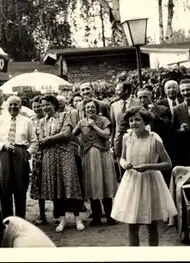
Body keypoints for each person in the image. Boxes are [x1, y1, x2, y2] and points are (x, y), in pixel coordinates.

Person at [111, 107, 177, 246]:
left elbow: (168, 163)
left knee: (151, 224)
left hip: (150, 183)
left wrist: (148, 166)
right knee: (132, 224)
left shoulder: (154, 139)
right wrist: (125, 164)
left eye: (137, 120)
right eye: (131, 120)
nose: (134, 123)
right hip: (131, 183)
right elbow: (121, 158)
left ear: (145, 121)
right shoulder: (127, 138)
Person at [38, 95, 84, 232]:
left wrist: (48, 140)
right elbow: (40, 139)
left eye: (48, 104)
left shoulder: (65, 116)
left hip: (65, 154)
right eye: (43, 105)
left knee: (70, 184)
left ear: (54, 104)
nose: (45, 107)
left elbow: (66, 134)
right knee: (56, 186)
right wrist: (48, 140)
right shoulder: (41, 121)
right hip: (49, 156)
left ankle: (77, 218)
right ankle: (62, 219)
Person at [0, 96, 37, 219]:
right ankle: (8, 219)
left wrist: (28, 153)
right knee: (5, 187)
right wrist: (3, 145)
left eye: (16, 104)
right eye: (10, 104)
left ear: (20, 107)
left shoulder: (27, 121)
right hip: (4, 153)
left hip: (21, 153)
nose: (13, 107)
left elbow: (34, 141)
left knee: (20, 187)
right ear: (6, 106)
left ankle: (21, 219)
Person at [73, 98, 118, 226]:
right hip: (88, 155)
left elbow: (107, 135)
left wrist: (94, 126)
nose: (90, 109)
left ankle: (109, 216)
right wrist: (81, 144)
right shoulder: (81, 122)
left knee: (105, 183)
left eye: (92, 107)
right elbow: (72, 135)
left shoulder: (103, 120)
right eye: (87, 108)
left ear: (97, 109)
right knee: (92, 184)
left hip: (102, 154)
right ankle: (96, 216)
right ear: (84, 110)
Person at [136, 88, 173, 186]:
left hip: (161, 148)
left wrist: (154, 115)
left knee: (163, 179)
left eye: (145, 97)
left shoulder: (162, 109)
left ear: (151, 97)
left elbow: (169, 126)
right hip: (144, 149)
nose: (142, 100)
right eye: (140, 97)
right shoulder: (136, 112)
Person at [110, 82, 140, 176]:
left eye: (118, 90)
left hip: (136, 139)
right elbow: (113, 126)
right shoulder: (114, 105)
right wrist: (112, 142)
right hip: (119, 141)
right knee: (122, 166)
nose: (116, 92)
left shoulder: (138, 102)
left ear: (126, 91)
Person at [29, 96, 48, 225]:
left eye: (39, 106)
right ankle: (42, 214)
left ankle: (58, 213)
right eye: (35, 107)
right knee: (39, 185)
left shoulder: (49, 119)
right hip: (37, 155)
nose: (37, 109)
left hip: (49, 153)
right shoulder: (30, 121)